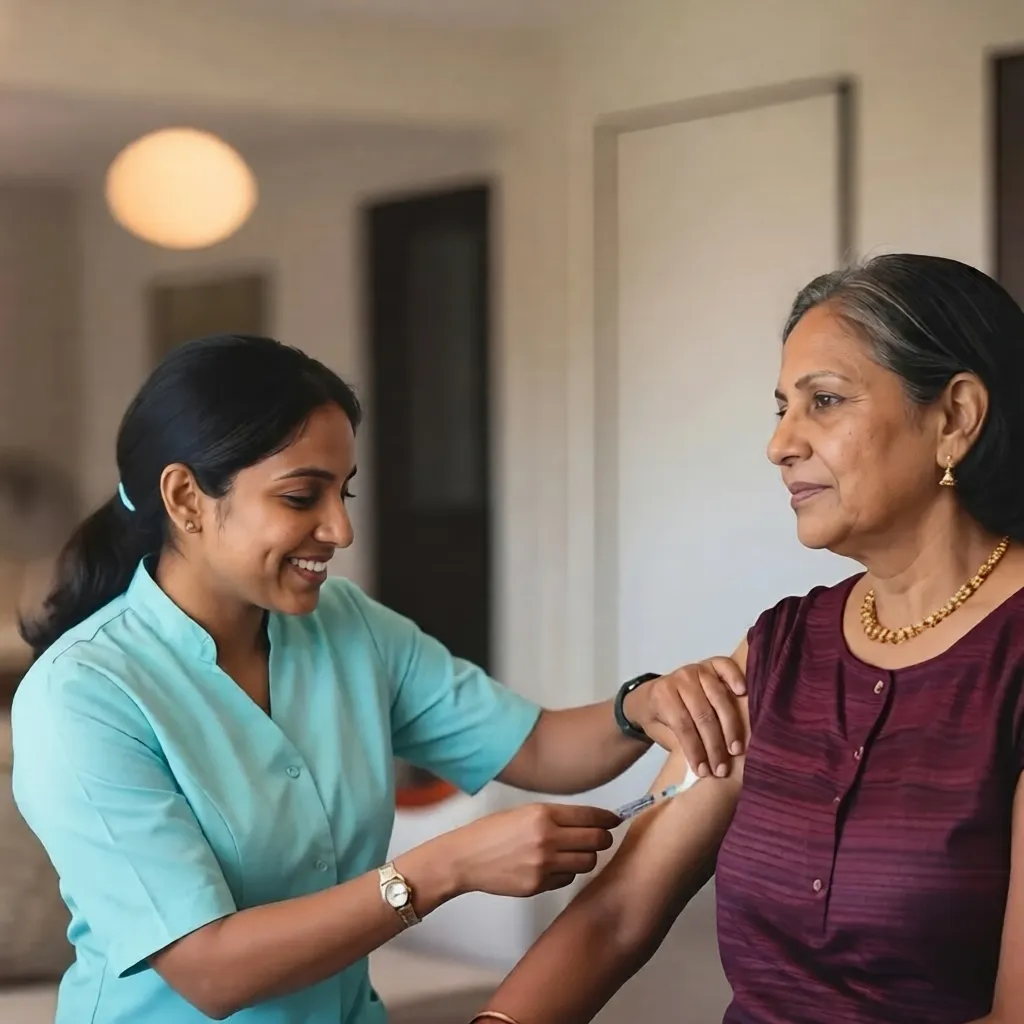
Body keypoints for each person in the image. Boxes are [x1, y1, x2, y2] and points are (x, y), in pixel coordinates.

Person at [9, 334, 742, 1024]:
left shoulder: (346, 625)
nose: (341, 530)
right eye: (302, 497)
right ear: (185, 499)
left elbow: (539, 746)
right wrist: (447, 866)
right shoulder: (83, 695)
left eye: (344, 494)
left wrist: (640, 705)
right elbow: (210, 969)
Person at [474, 254, 1024, 1024]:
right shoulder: (781, 650)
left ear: (956, 417)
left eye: (824, 401)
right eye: (781, 409)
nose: (780, 445)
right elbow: (618, 913)